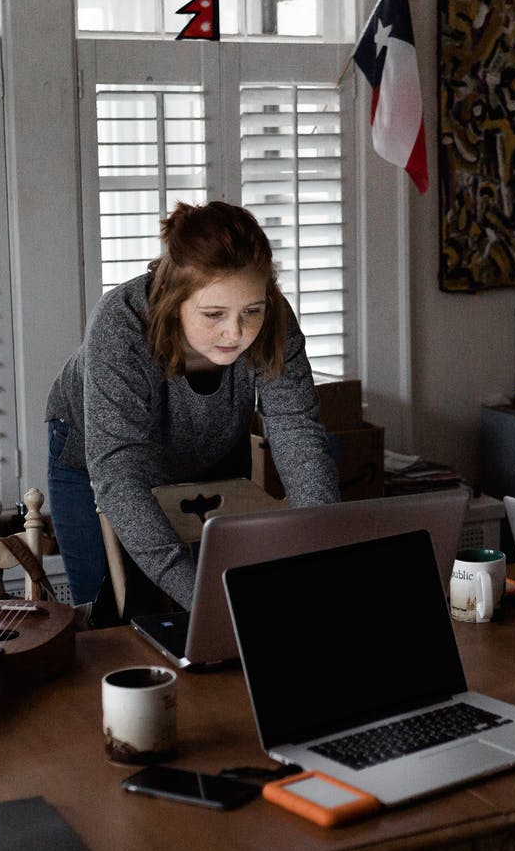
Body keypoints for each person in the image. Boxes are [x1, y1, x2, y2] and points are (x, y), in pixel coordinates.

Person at [44, 201, 339, 612]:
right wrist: (203, 601)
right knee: (110, 617)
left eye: (251, 311)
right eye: (214, 313)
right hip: (98, 461)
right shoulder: (120, 323)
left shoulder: (273, 319)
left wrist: (324, 551)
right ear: (171, 298)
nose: (235, 332)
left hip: (209, 447)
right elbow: (120, 476)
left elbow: (297, 430)